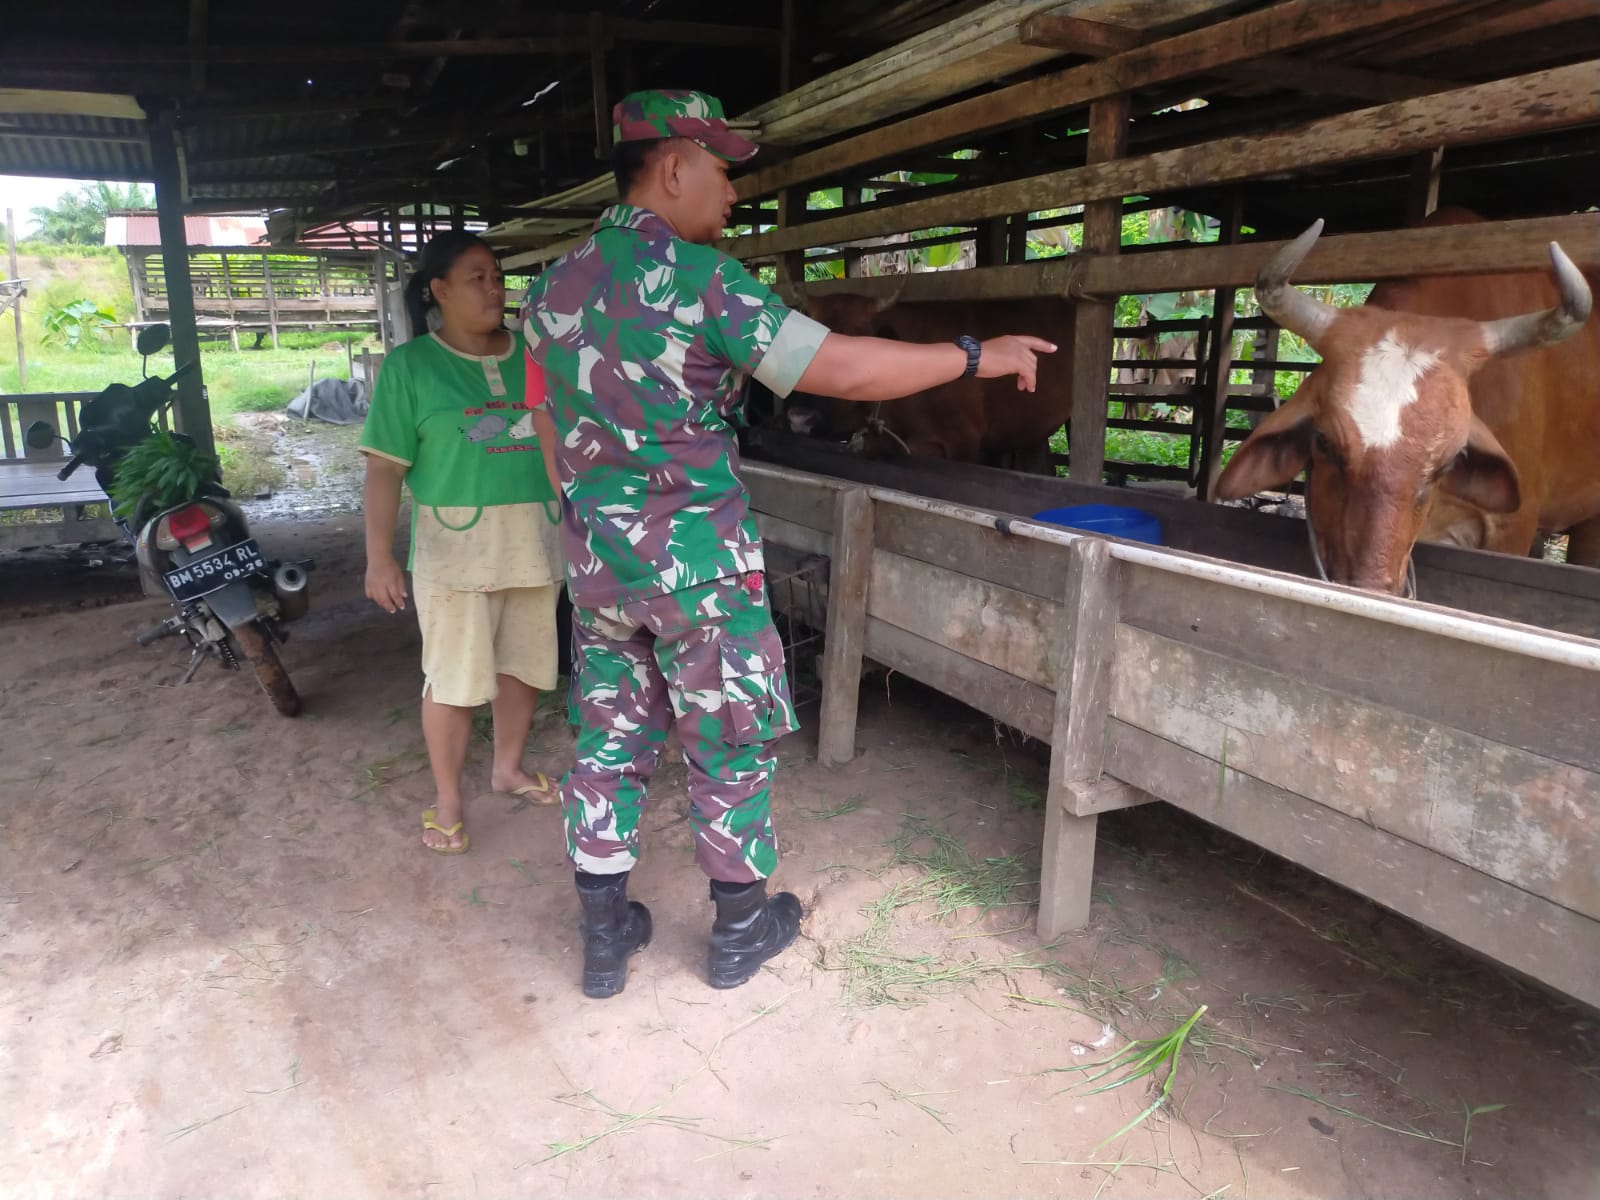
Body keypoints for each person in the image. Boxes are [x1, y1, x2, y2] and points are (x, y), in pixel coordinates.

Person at [522, 89, 1054, 997]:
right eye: (724, 172)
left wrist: (588, 521)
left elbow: (543, 422)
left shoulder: (548, 287)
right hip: (699, 567)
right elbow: (838, 367)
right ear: (676, 166)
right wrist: (977, 355)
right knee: (726, 734)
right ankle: (738, 929)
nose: (732, 195)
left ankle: (605, 938)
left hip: (599, 566)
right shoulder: (700, 279)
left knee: (609, 740)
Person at [360, 232, 564, 855]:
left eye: (498, 276)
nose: (493, 287)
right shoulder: (410, 368)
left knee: (525, 664)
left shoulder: (536, 353)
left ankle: (507, 769)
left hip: (535, 536)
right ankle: (448, 799)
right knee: (451, 678)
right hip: (455, 549)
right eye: (476, 277)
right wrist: (378, 556)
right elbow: (385, 469)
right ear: (439, 291)